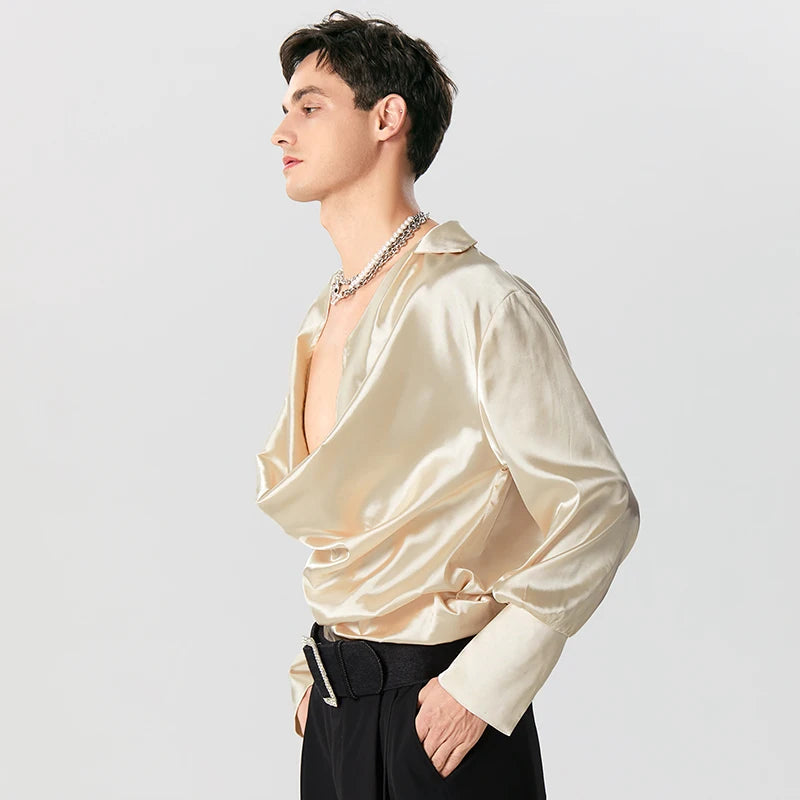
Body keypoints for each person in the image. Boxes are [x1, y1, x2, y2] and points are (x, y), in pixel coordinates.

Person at [256, 9, 640, 799]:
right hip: (334, 712)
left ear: (387, 118)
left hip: (442, 713)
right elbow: (353, 525)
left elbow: (599, 506)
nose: (280, 131)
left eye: (309, 106)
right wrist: (310, 680)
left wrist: (486, 682)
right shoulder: (324, 315)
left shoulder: (478, 301)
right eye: (286, 108)